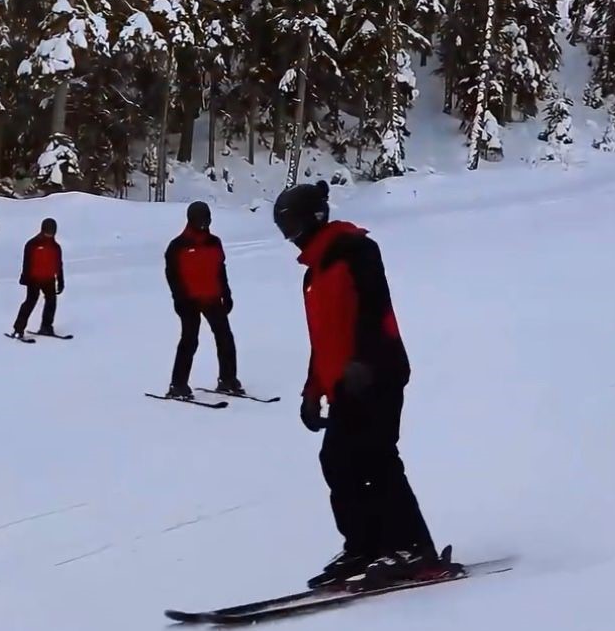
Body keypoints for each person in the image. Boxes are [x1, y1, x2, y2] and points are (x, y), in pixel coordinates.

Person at [272, 181, 446, 590]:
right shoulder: (314, 273)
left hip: (378, 373)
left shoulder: (357, 251)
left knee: (377, 458)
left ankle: (412, 549)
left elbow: (373, 312)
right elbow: (323, 339)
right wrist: (312, 392)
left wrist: (363, 364)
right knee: (338, 462)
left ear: (313, 219)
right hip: (345, 385)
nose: (289, 237)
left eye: (292, 226)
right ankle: (366, 546)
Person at [164, 201, 242, 398]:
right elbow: (172, 276)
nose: (205, 223)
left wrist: (227, 294)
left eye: (207, 218)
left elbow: (220, 270)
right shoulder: (177, 246)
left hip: (213, 298)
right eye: (201, 219)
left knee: (225, 338)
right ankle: (178, 385)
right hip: (188, 301)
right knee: (190, 341)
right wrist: (179, 299)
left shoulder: (214, 242)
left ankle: (227, 379)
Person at [12, 217, 64, 337]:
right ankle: (18, 329)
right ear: (42, 229)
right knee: (30, 302)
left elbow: (59, 264)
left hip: (49, 279)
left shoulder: (56, 247)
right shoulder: (32, 244)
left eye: (52, 231)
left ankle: (46, 326)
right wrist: (25, 277)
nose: (50, 233)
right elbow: (27, 262)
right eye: (48, 231)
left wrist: (61, 281)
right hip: (34, 279)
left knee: (51, 302)